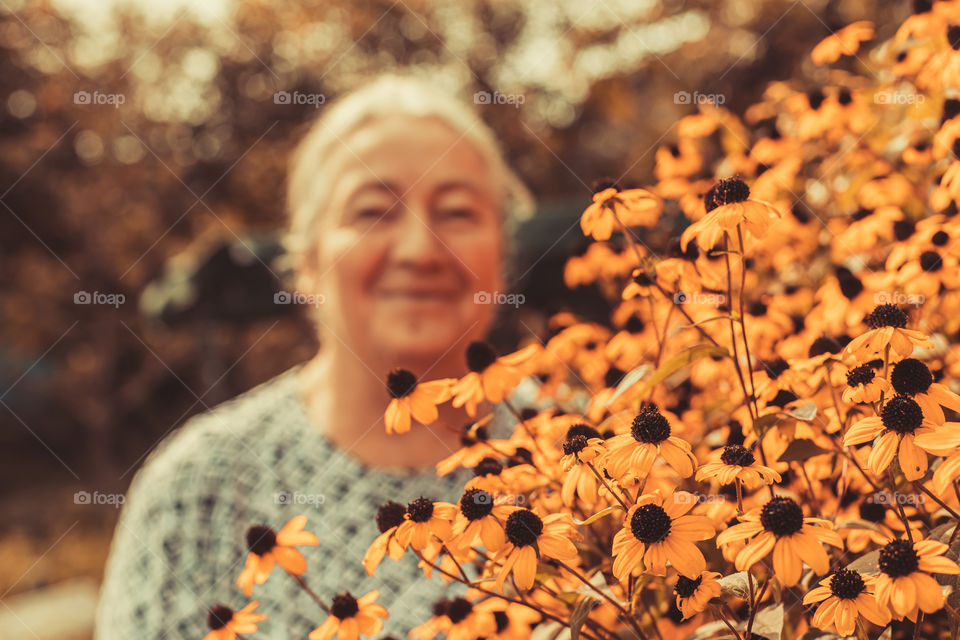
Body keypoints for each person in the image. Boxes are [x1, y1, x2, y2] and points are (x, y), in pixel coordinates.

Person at [95, 74, 534, 640]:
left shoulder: (592, 451)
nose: (421, 249)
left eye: (457, 212)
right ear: (306, 262)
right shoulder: (196, 490)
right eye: (373, 211)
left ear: (502, 255)